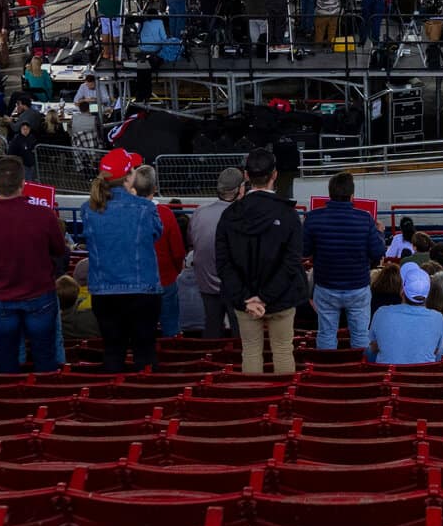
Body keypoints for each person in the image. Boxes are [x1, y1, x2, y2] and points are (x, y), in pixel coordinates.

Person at [0, 153, 72, 373]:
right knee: (44, 352)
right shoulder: (44, 215)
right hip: (39, 295)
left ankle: (6, 399)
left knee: (6, 351)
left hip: (1, 298)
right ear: (23, 183)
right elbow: (60, 250)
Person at [82, 150, 181, 373]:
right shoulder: (145, 209)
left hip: (105, 293)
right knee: (145, 353)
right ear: (128, 177)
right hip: (142, 293)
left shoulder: (89, 210)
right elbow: (155, 233)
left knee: (113, 352)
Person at [216, 145, 307, 376]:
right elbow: (292, 262)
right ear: (274, 175)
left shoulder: (230, 215)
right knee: (283, 350)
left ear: (246, 175)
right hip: (281, 298)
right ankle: (284, 407)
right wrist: (264, 297)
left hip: (246, 299)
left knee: (251, 351)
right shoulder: (287, 214)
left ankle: (254, 402)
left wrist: (248, 297)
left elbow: (224, 264)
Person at [303, 170, 385, 350]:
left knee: (326, 333)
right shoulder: (365, 219)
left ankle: (327, 370)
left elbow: (303, 251)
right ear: (352, 195)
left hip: (325, 287)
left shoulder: (313, 218)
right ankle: (359, 370)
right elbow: (377, 252)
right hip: (357, 287)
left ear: (330, 193)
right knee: (361, 334)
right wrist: (379, 232)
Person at [190, 164, 244, 340]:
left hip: (207, 283)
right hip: (235, 287)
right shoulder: (242, 215)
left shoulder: (199, 213)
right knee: (240, 334)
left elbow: (193, 243)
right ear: (239, 189)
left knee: (212, 327)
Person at [368, 260, 443, 365]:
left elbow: (373, 346)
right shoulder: (438, 318)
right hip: (421, 376)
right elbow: (436, 350)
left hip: (388, 374)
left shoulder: (381, 313)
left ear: (402, 291)